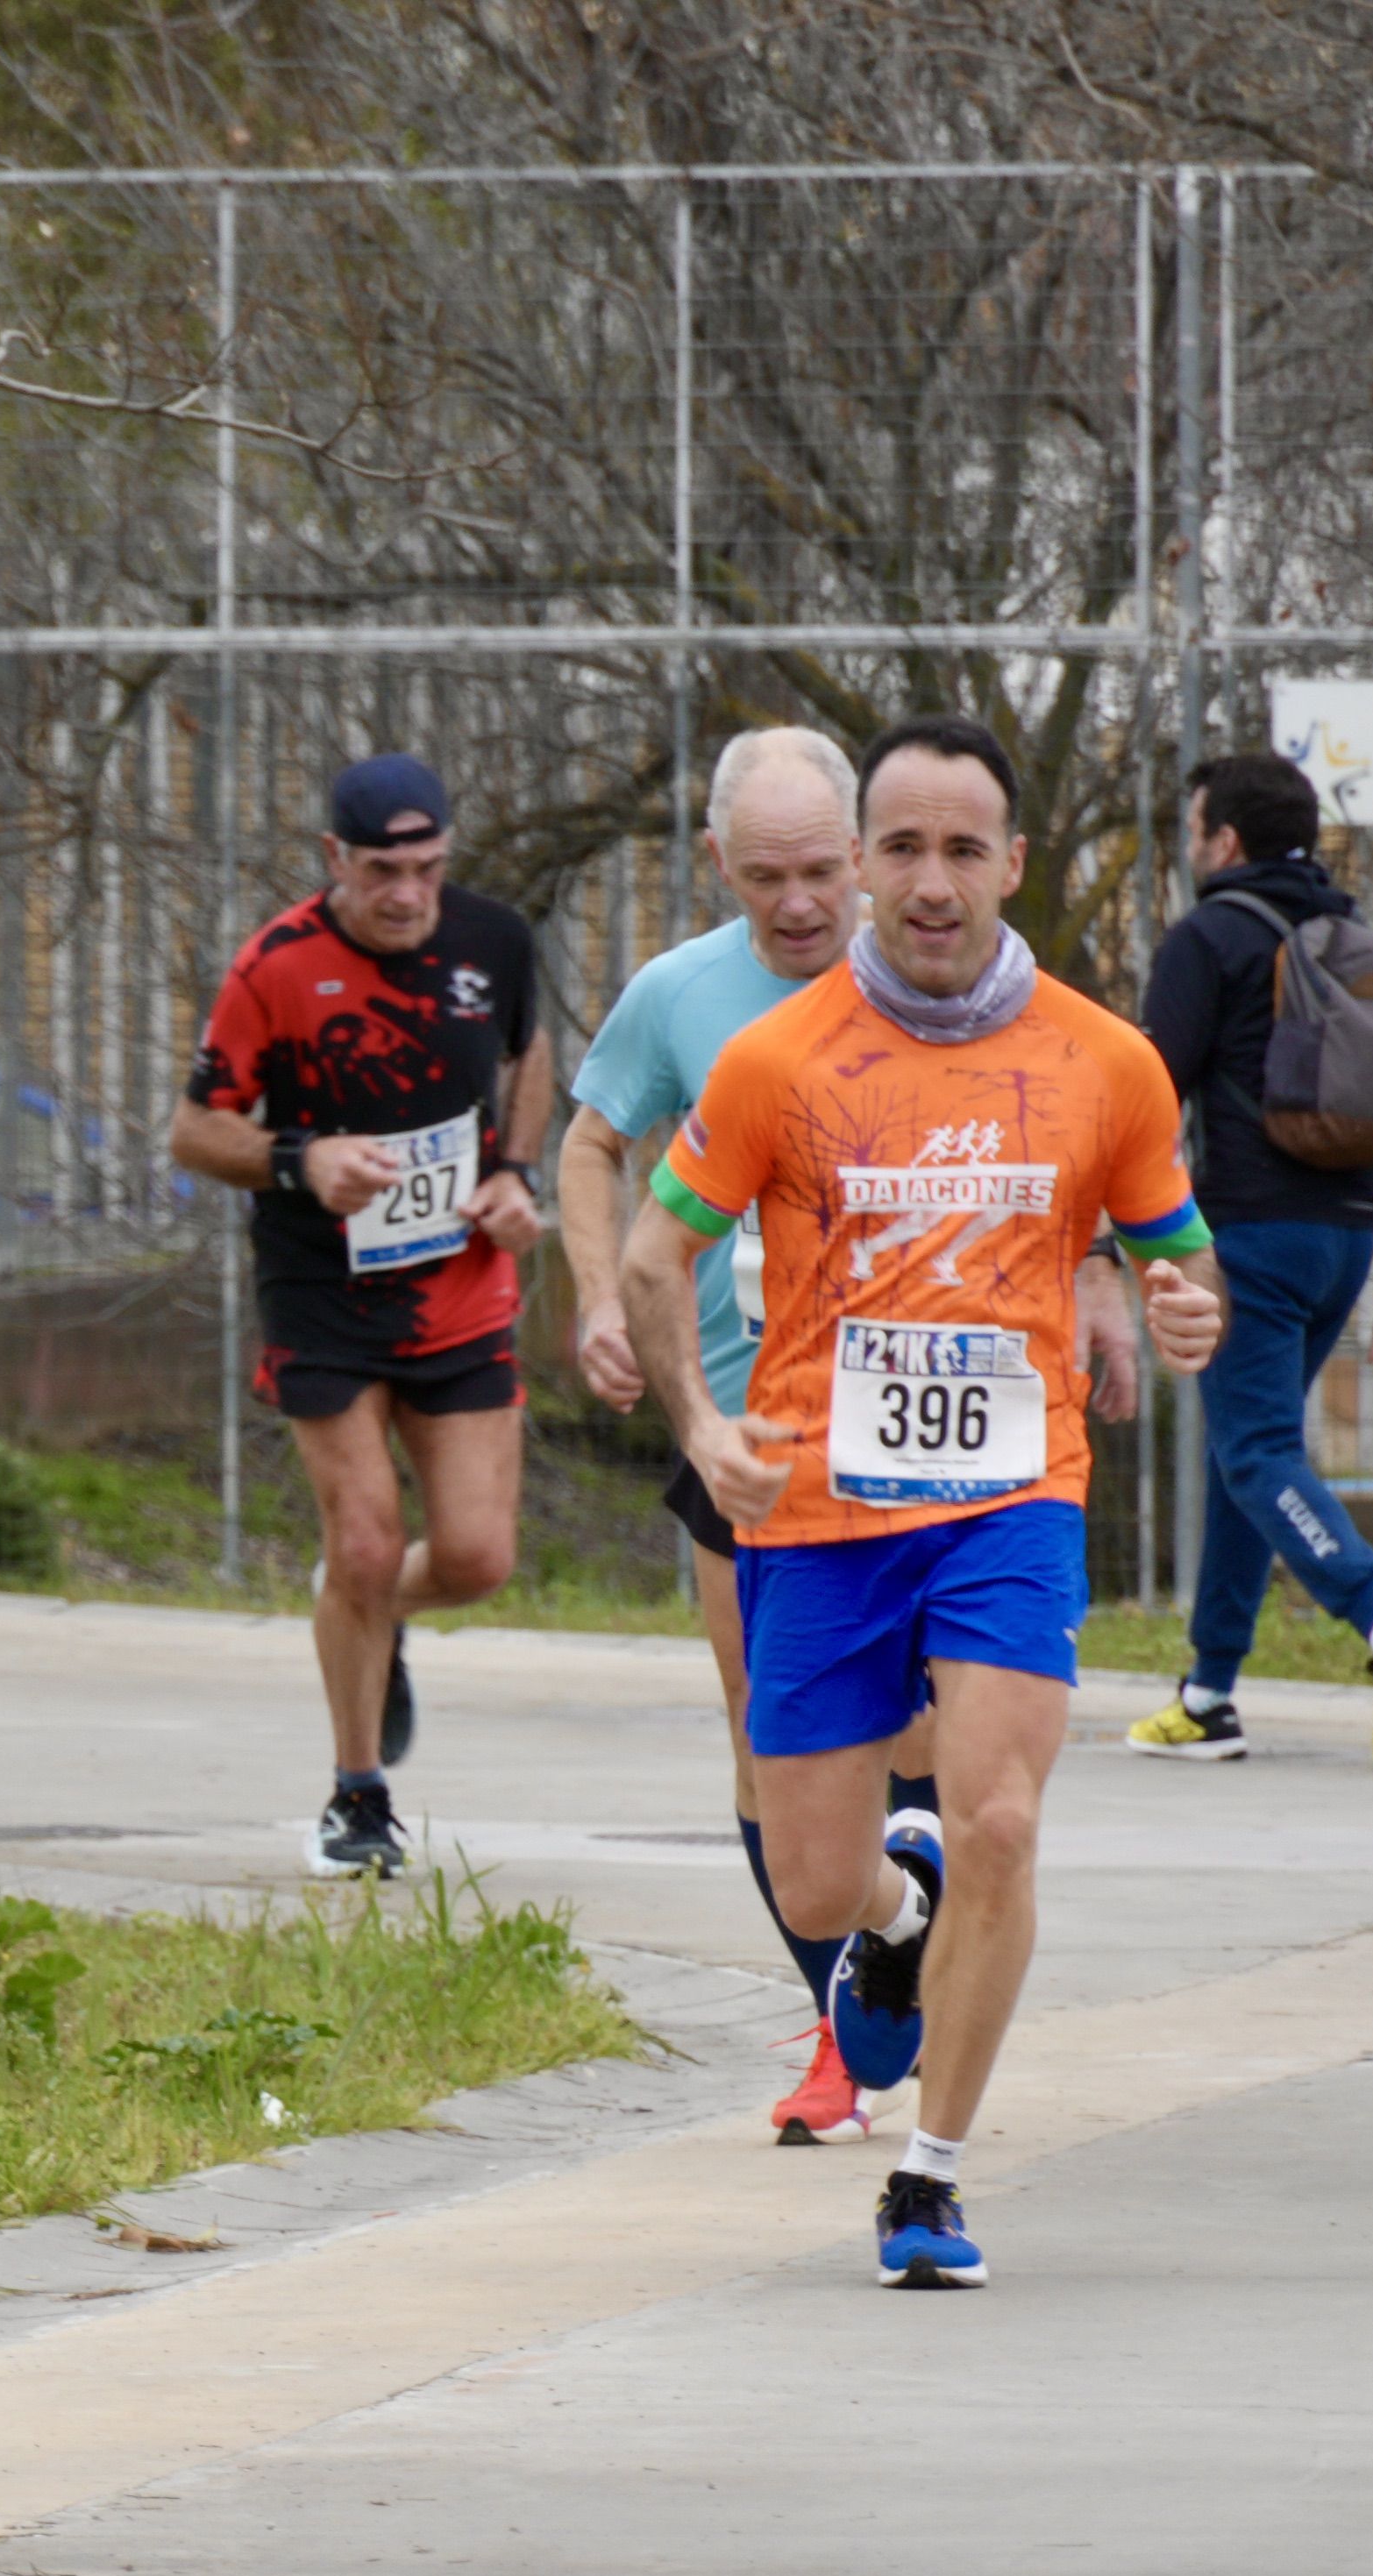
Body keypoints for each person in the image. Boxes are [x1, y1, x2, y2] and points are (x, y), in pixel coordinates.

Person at [626, 713, 1227, 2290]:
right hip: (818, 1502)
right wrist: (701, 1419)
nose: (932, 880)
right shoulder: (775, 1059)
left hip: (1009, 1493)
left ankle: (930, 2173)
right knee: (817, 1875)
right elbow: (650, 1254)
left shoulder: (1106, 1061)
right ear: (863, 866)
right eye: (902, 847)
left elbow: (1176, 1250)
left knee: (1005, 1815)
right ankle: (896, 1919)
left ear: (1013, 863)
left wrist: (1183, 1310)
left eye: (964, 848)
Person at [566, 727, 950, 2147]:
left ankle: (918, 1953)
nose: (798, 905)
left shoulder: (941, 978)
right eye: (765, 878)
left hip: (918, 1420)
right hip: (741, 1425)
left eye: (819, 872)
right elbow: (591, 1144)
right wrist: (601, 1291)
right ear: (714, 864)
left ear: (860, 854)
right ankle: (843, 2020)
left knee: (919, 1731)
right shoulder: (678, 996)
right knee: (764, 1737)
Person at [166, 750, 552, 1881]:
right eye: (383, 870)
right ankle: (356, 1796)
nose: (407, 894)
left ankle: (369, 1617)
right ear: (336, 859)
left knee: (477, 1556)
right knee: (368, 1539)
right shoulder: (276, 966)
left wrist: (517, 1171)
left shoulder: (492, 942)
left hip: (462, 1282)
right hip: (322, 1291)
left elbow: (531, 1055)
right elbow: (194, 1129)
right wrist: (300, 1156)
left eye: (427, 868)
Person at [1123, 749, 1373, 1768]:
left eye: (1195, 832)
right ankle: (1207, 1693)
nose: (1193, 851)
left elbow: (1146, 1097)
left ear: (1223, 840)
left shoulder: (1211, 938)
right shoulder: (1364, 942)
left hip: (1246, 1240)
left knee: (1257, 1452)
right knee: (1249, 1452)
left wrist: (1122, 1235)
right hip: (1344, 1238)